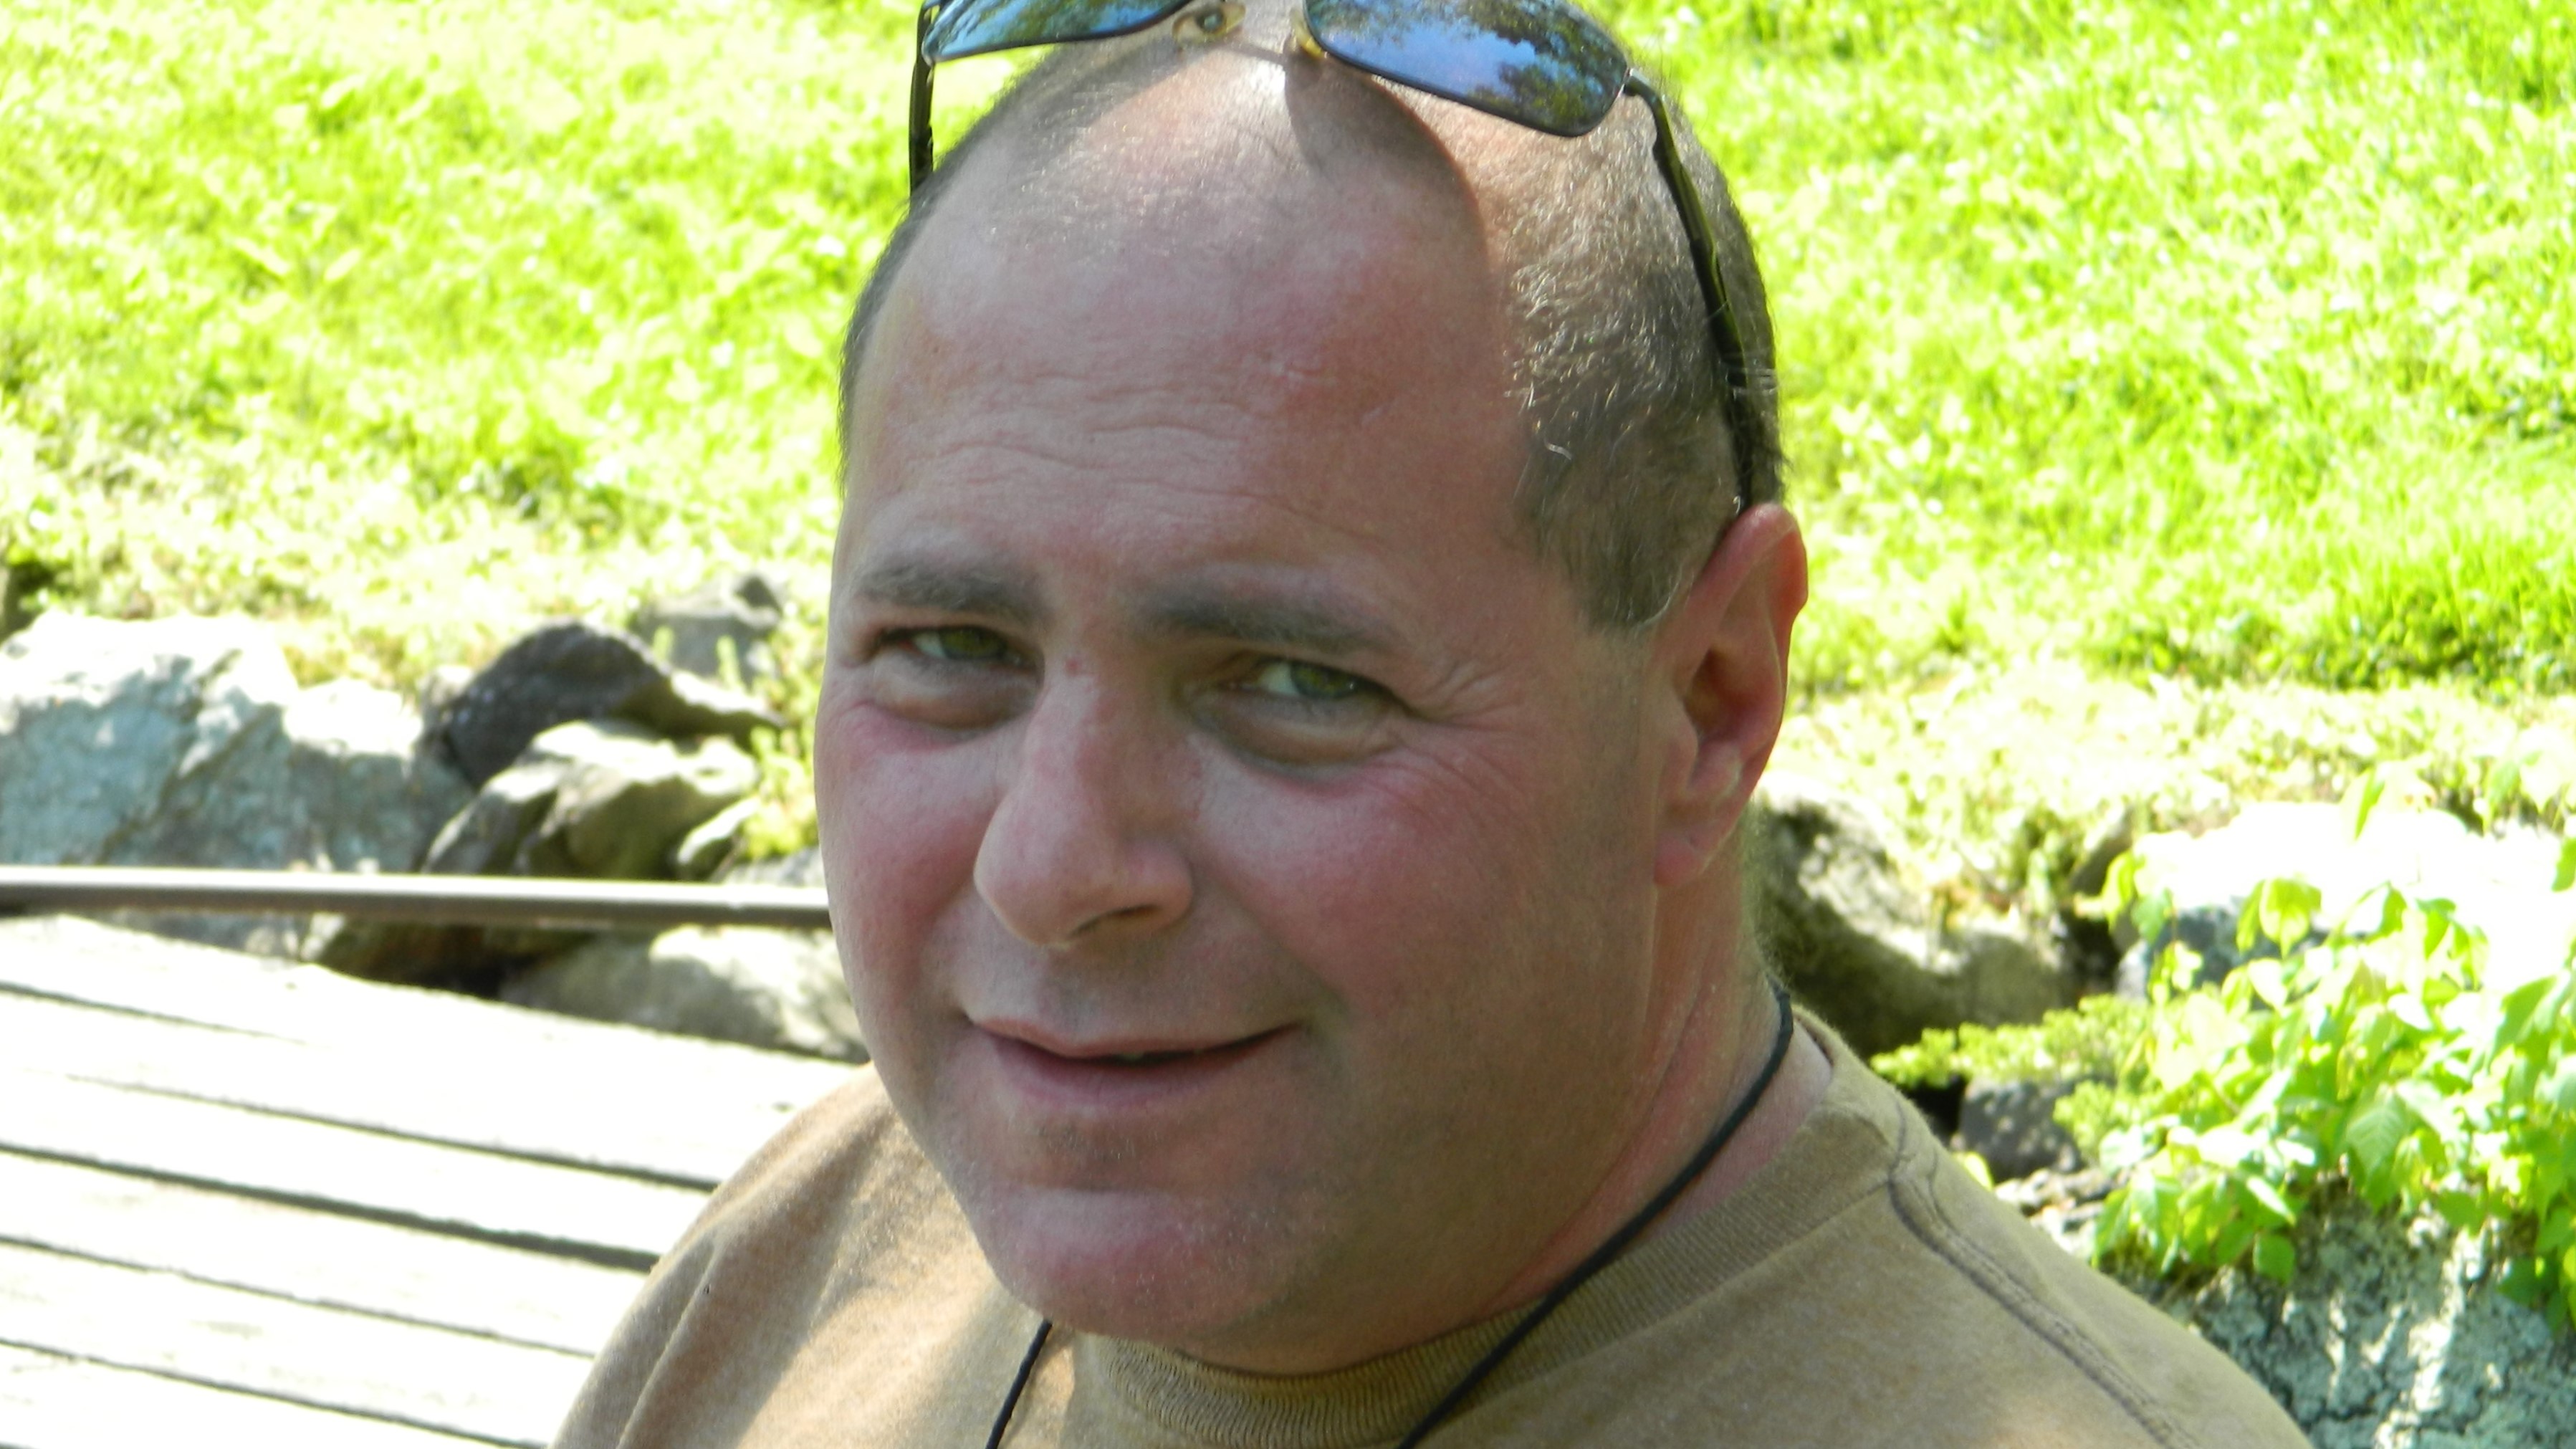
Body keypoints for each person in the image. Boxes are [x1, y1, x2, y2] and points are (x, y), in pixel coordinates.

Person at [555, 1, 2308, 1443]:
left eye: (1291, 684)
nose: (1054, 868)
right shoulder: (813, 1261)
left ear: (1711, 702)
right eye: (950, 649)